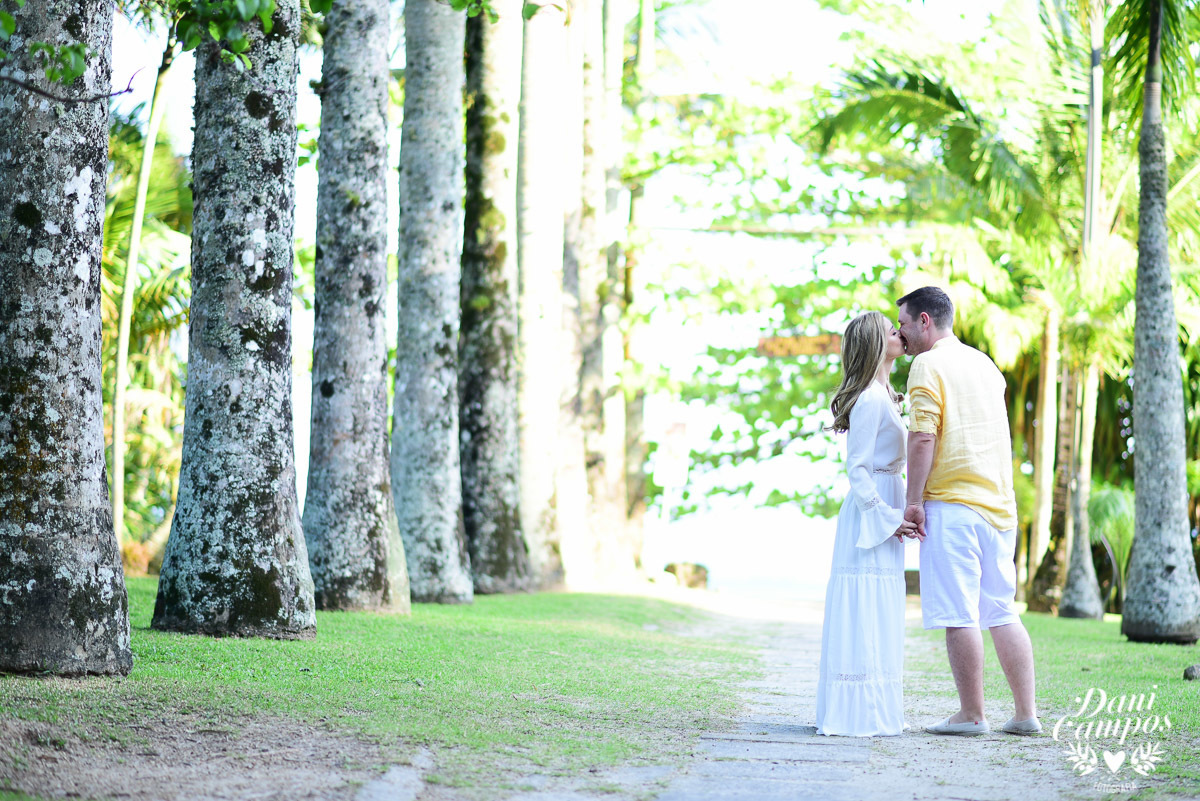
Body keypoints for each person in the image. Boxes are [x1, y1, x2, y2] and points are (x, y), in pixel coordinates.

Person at [896, 286, 1041, 736]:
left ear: (924, 321)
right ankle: (1025, 714)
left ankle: (972, 715)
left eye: (903, 324)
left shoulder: (928, 365)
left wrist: (913, 502)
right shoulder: (985, 365)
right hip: (999, 508)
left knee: (959, 612)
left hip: (953, 505)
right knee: (1002, 610)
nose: (900, 335)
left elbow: (923, 435)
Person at [815, 311, 919, 737]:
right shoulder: (871, 400)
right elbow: (857, 468)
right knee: (864, 610)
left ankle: (877, 708)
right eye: (892, 330)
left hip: (887, 501)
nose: (901, 333)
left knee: (880, 610)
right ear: (877, 343)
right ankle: (857, 713)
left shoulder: (886, 396)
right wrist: (888, 518)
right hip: (870, 512)